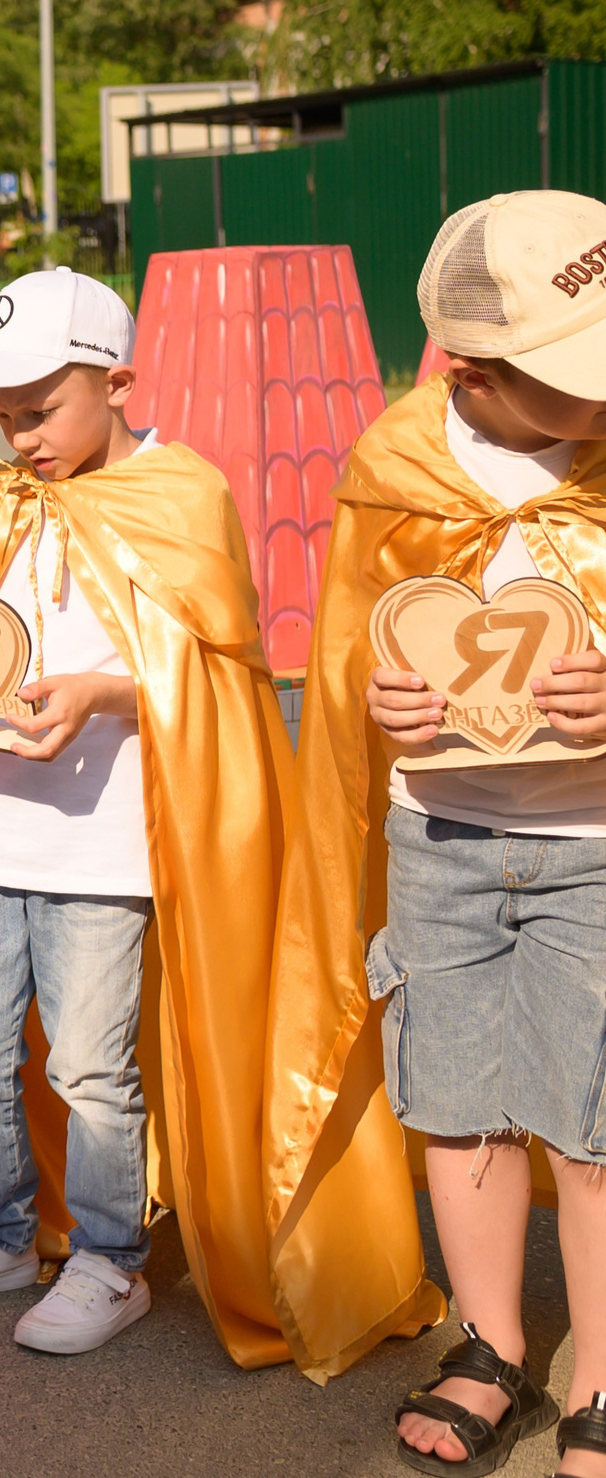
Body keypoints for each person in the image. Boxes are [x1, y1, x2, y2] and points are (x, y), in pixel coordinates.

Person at [0, 268, 304, 1363]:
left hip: (103, 848)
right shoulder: (9, 497)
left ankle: (110, 1257)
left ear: (115, 382)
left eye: (38, 410)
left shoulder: (181, 494)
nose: (19, 437)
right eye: (1, 417)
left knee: (88, 1071)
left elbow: (220, 676)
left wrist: (101, 694)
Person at [275, 191, 606, 1460]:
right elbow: (355, 647)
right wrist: (381, 698)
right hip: (443, 841)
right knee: (462, 1104)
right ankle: (491, 1345)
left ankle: (599, 1379)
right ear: (471, 371)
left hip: (593, 846)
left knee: (591, 1118)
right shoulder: (396, 458)